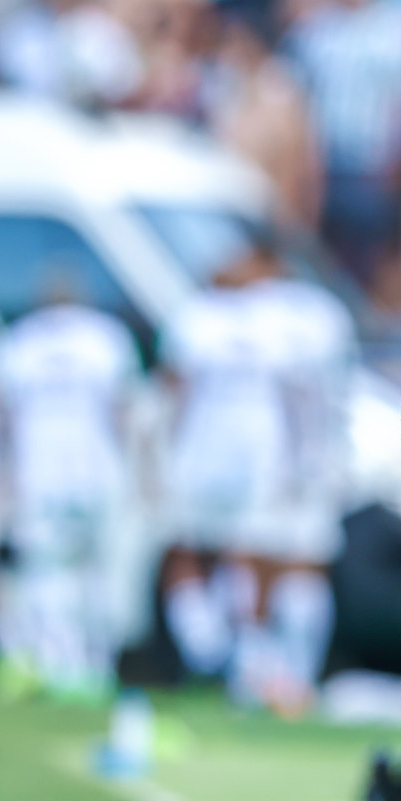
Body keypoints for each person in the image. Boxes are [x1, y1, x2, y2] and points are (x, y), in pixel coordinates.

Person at [159, 238, 355, 716]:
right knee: (300, 563)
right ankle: (290, 676)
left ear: (265, 260)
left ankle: (246, 670)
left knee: (247, 560)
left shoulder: (231, 318)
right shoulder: (323, 315)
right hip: (314, 457)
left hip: (263, 459)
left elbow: (176, 388)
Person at [0, 294, 143, 702]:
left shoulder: (24, 343)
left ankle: (72, 662)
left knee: (63, 570)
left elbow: (4, 419)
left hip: (52, 474)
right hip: (80, 473)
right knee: (68, 570)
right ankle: (75, 663)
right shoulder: (105, 339)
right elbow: (123, 413)